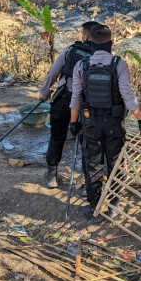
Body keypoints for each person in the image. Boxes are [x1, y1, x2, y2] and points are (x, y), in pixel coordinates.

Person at [69, 24, 141, 221]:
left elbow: (76, 98)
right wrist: (140, 120)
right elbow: (127, 96)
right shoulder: (119, 65)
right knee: (115, 164)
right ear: (111, 44)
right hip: (114, 123)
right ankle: (114, 204)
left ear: (90, 42)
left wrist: (73, 123)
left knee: (93, 164)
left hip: (90, 123)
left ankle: (94, 207)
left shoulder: (82, 66)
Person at [39, 21, 98, 189]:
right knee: (86, 142)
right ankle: (88, 180)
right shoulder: (101, 57)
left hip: (63, 100)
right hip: (86, 106)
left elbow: (52, 74)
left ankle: (51, 175)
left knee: (57, 137)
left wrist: (44, 94)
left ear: (85, 36)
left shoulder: (71, 50)